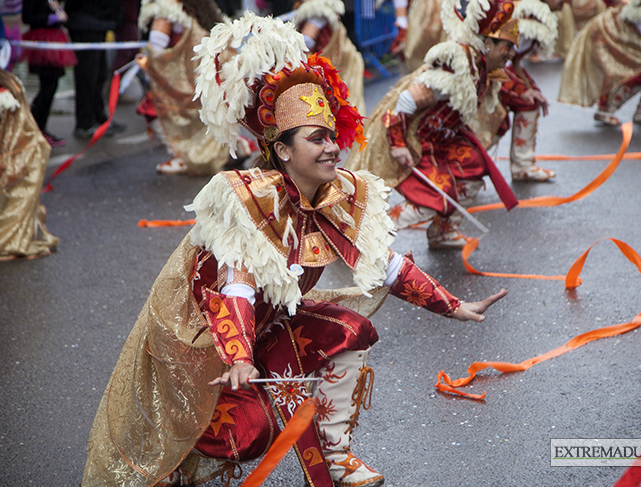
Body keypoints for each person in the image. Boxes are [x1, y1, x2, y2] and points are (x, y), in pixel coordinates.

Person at [81, 13, 508, 487]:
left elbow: (386, 265)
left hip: (268, 327)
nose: (332, 149)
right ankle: (189, 461)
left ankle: (336, 455)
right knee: (250, 432)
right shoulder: (249, 200)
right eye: (317, 139)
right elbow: (234, 288)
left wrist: (455, 306)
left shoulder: (336, 193)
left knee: (350, 331)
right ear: (282, 150)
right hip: (206, 346)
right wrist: (240, 357)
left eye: (331, 136)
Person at [346, 0, 519, 249]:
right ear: (489, 44)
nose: (511, 53)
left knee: (474, 166)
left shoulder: (481, 66)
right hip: (413, 136)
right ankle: (365, 235)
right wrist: (398, 143)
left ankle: (443, 231)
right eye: (507, 46)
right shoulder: (459, 64)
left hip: (442, 137)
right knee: (432, 198)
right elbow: (407, 99)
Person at [136, 0, 237, 175]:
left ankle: (181, 156)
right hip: (208, 79)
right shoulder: (207, 10)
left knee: (151, 107)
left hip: (182, 82)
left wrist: (147, 63)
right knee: (210, 115)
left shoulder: (167, 10)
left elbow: (156, 49)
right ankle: (233, 147)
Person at [492, 0, 561, 181]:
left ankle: (523, 166)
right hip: (487, 75)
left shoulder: (532, 20)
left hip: (499, 73)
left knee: (529, 102)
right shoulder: (523, 22)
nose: (565, 4)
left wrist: (531, 89)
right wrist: (522, 91)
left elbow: (514, 63)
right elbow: (497, 64)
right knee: (487, 123)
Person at [0, 68, 60, 260]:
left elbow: (15, 129)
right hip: (18, 149)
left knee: (20, 193)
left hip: (20, 149)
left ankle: (15, 239)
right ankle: (14, 239)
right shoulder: (9, 85)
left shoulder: (8, 87)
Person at [65, 0, 126, 138]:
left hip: (99, 23)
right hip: (85, 24)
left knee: (100, 74)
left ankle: (99, 117)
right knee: (86, 76)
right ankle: (84, 123)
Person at [293, 0, 366, 114]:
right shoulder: (320, 7)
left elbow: (306, 40)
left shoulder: (317, 10)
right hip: (338, 62)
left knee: (341, 106)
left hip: (338, 65)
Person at [21, 0, 77, 147]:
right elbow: (27, 18)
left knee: (52, 85)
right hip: (42, 42)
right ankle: (35, 126)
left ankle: (38, 126)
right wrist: (50, 19)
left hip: (55, 41)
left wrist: (57, 13)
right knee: (47, 86)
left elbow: (64, 18)